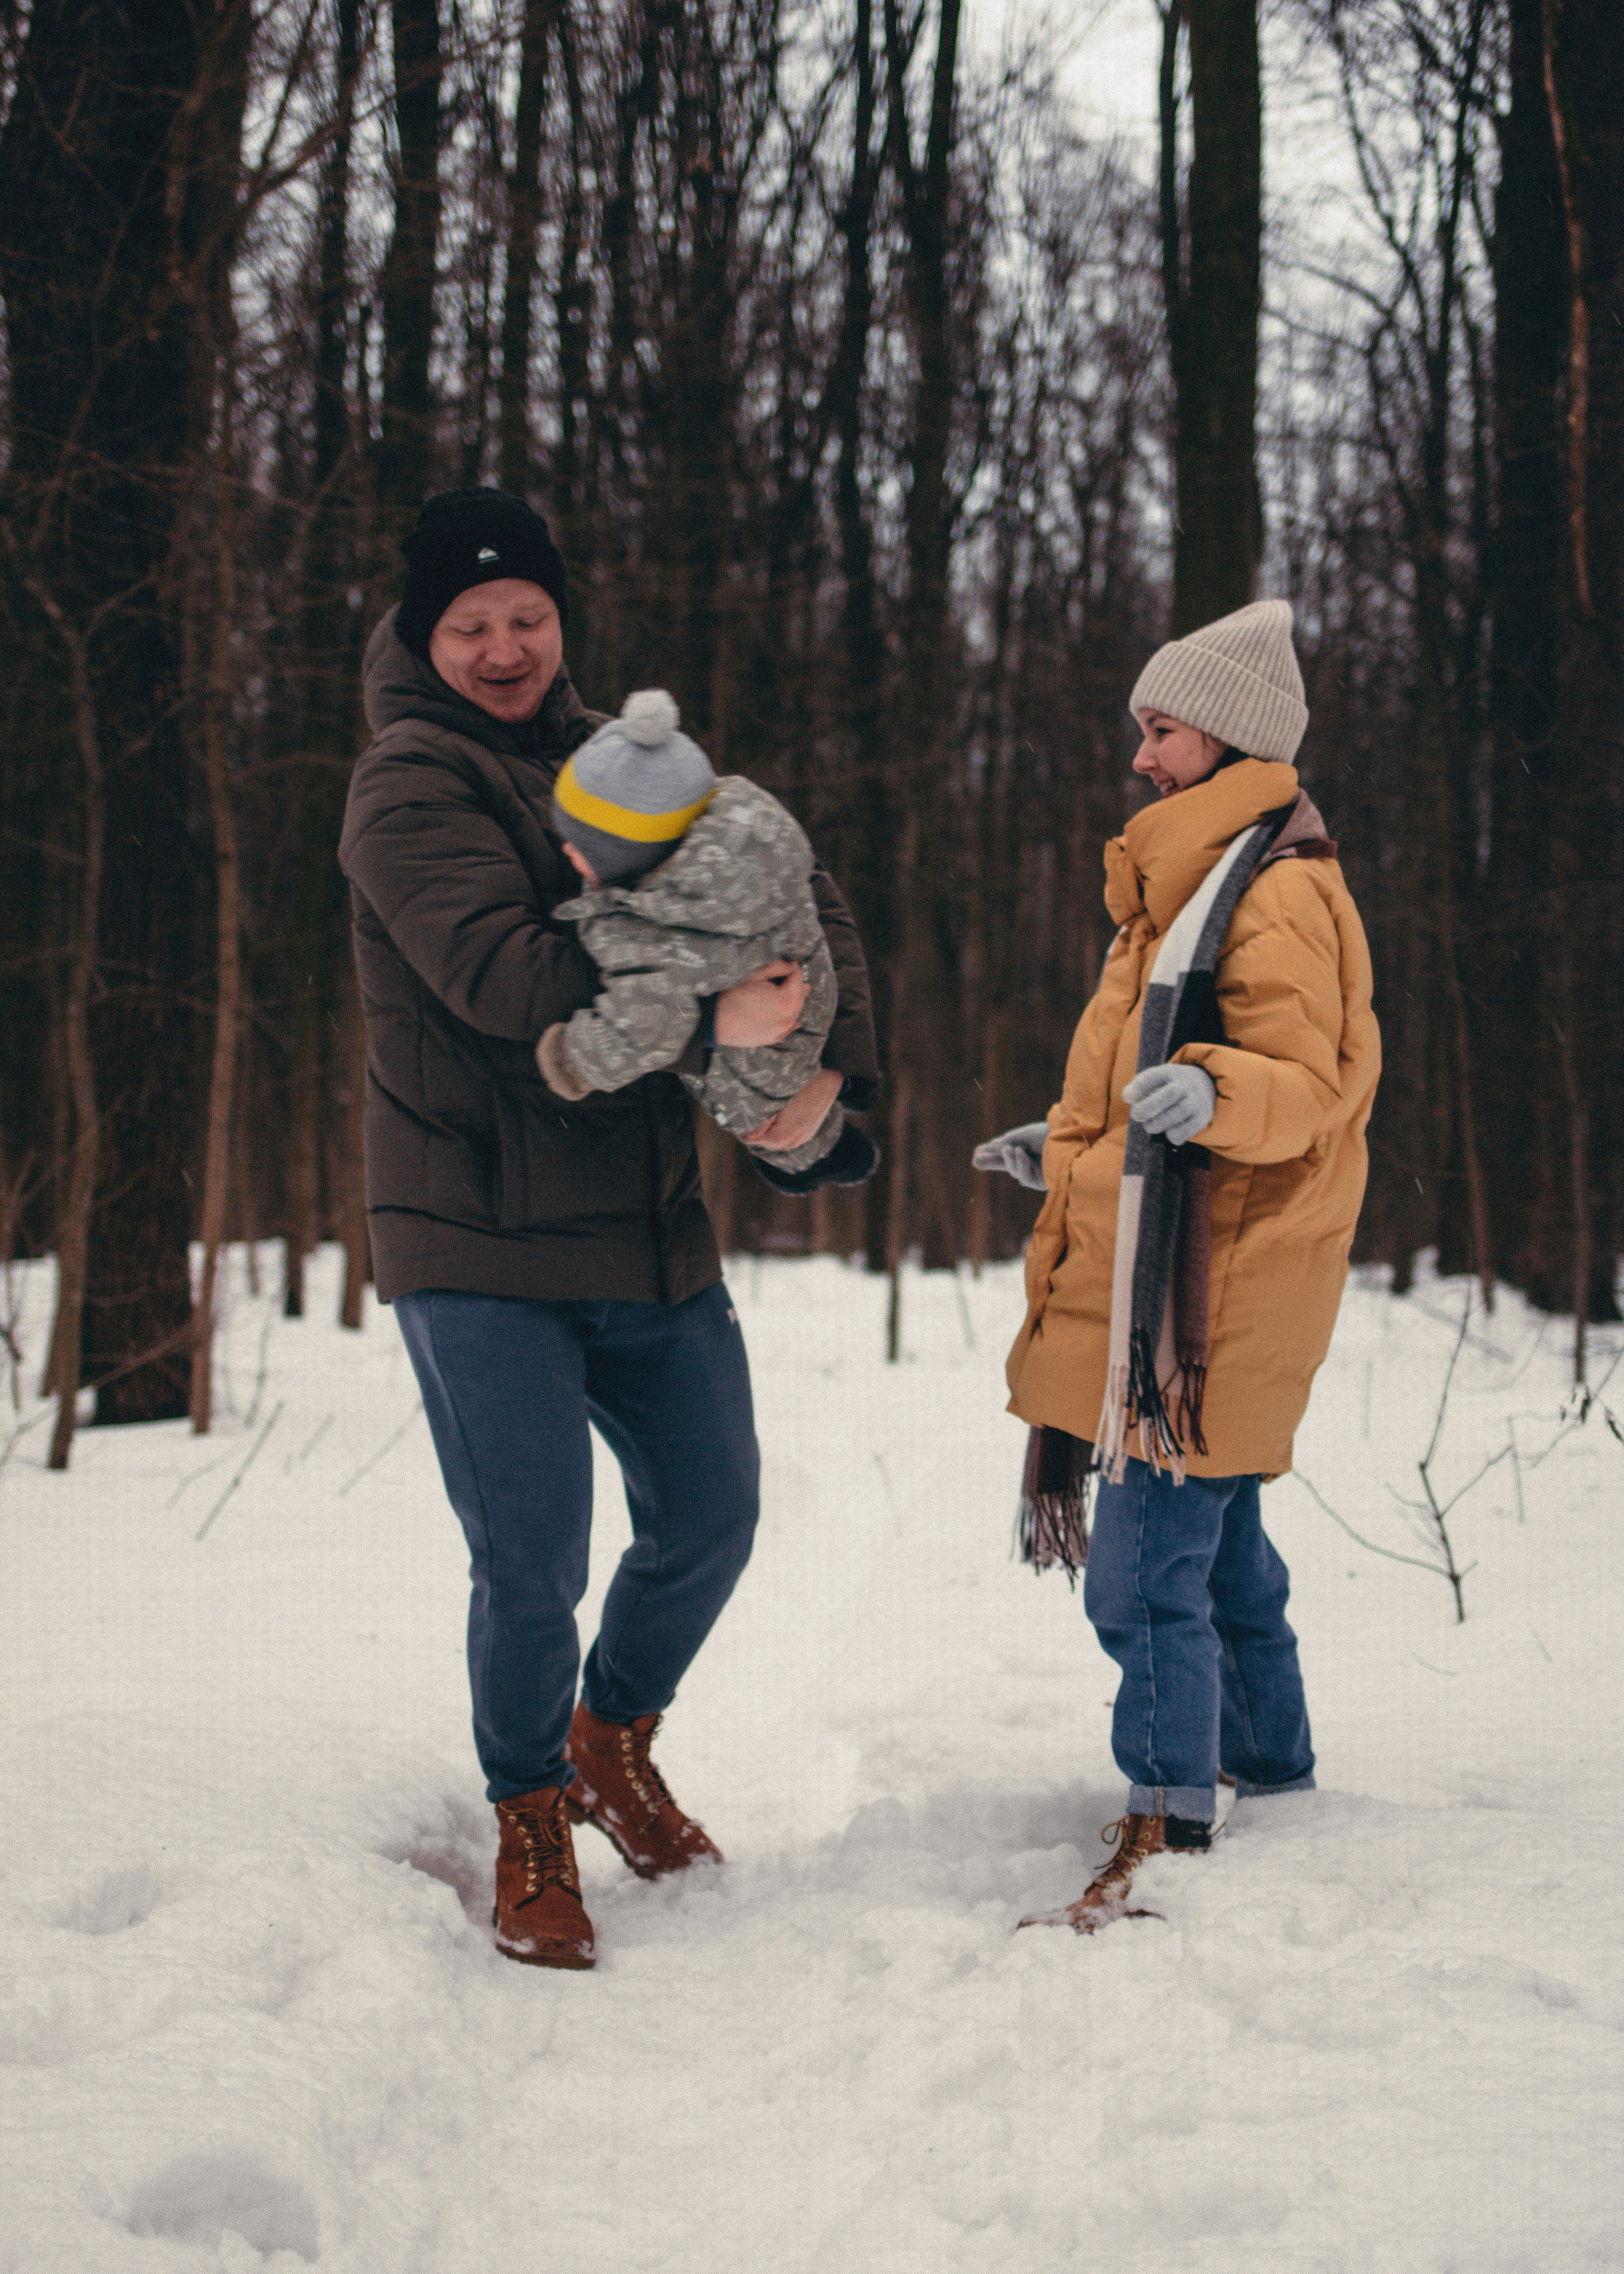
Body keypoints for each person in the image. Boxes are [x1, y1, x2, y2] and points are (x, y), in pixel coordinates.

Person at [338, 488, 879, 1970]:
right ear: (422, 632)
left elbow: (799, 904)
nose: (504, 648)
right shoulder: (408, 781)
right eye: (471, 624)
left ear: (562, 623)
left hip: (642, 1228)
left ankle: (607, 1739)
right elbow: (505, 979)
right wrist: (708, 1002)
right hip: (475, 1232)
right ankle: (527, 1811)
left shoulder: (624, 770)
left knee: (710, 1516)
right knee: (531, 1558)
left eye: (527, 619)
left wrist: (817, 1090)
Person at [976, 598, 1380, 1934]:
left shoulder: (1270, 890)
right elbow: (1142, 1090)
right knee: (1220, 1557)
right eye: (1140, 730)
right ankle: (1270, 1761)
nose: (1139, 756)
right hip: (1204, 1279)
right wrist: (1071, 1148)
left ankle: (1166, 1806)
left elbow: (1303, 1085)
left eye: (1160, 729)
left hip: (1213, 1305)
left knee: (1144, 1570)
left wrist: (1207, 1093)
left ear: (1230, 739)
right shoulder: (1186, 888)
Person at [535, 686, 878, 1195]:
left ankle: (808, 1159)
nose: (567, 851)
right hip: (812, 985)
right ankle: (822, 1143)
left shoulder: (661, 933)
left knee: (761, 1111)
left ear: (629, 858)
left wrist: (571, 1059)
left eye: (583, 847)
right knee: (789, 1074)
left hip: (770, 1041)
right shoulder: (748, 827)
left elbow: (644, 1027)